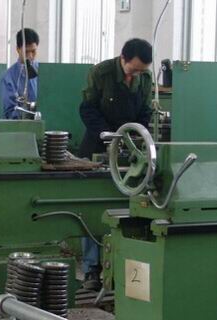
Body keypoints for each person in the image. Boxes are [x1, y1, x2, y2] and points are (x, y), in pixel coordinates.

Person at [78, 38, 153, 286]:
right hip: (98, 145)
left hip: (131, 150)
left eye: (141, 71)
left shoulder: (145, 78)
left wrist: (133, 137)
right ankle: (91, 268)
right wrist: (108, 136)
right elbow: (87, 109)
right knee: (93, 207)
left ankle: (122, 267)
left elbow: (145, 111)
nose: (136, 75)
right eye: (133, 70)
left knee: (127, 207)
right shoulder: (101, 73)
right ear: (123, 58)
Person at [0, 28, 40, 119]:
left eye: (33, 51)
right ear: (18, 49)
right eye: (26, 52)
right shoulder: (8, 78)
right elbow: (9, 112)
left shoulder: (44, 72)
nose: (30, 56)